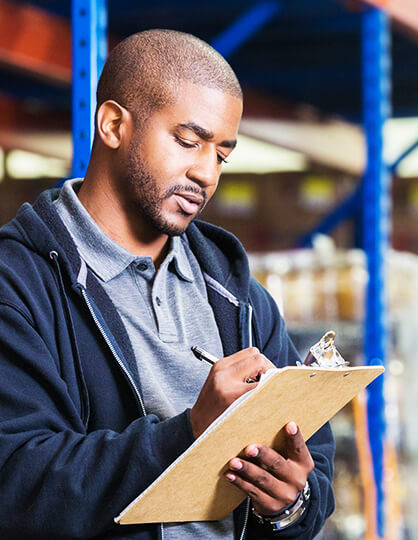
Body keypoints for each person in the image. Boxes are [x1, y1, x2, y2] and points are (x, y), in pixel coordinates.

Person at [0, 29, 334, 539]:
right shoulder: (18, 283)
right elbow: (17, 484)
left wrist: (291, 505)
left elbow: (316, 468)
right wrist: (190, 431)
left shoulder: (238, 296)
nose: (206, 173)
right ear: (113, 124)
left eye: (222, 155)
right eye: (187, 141)